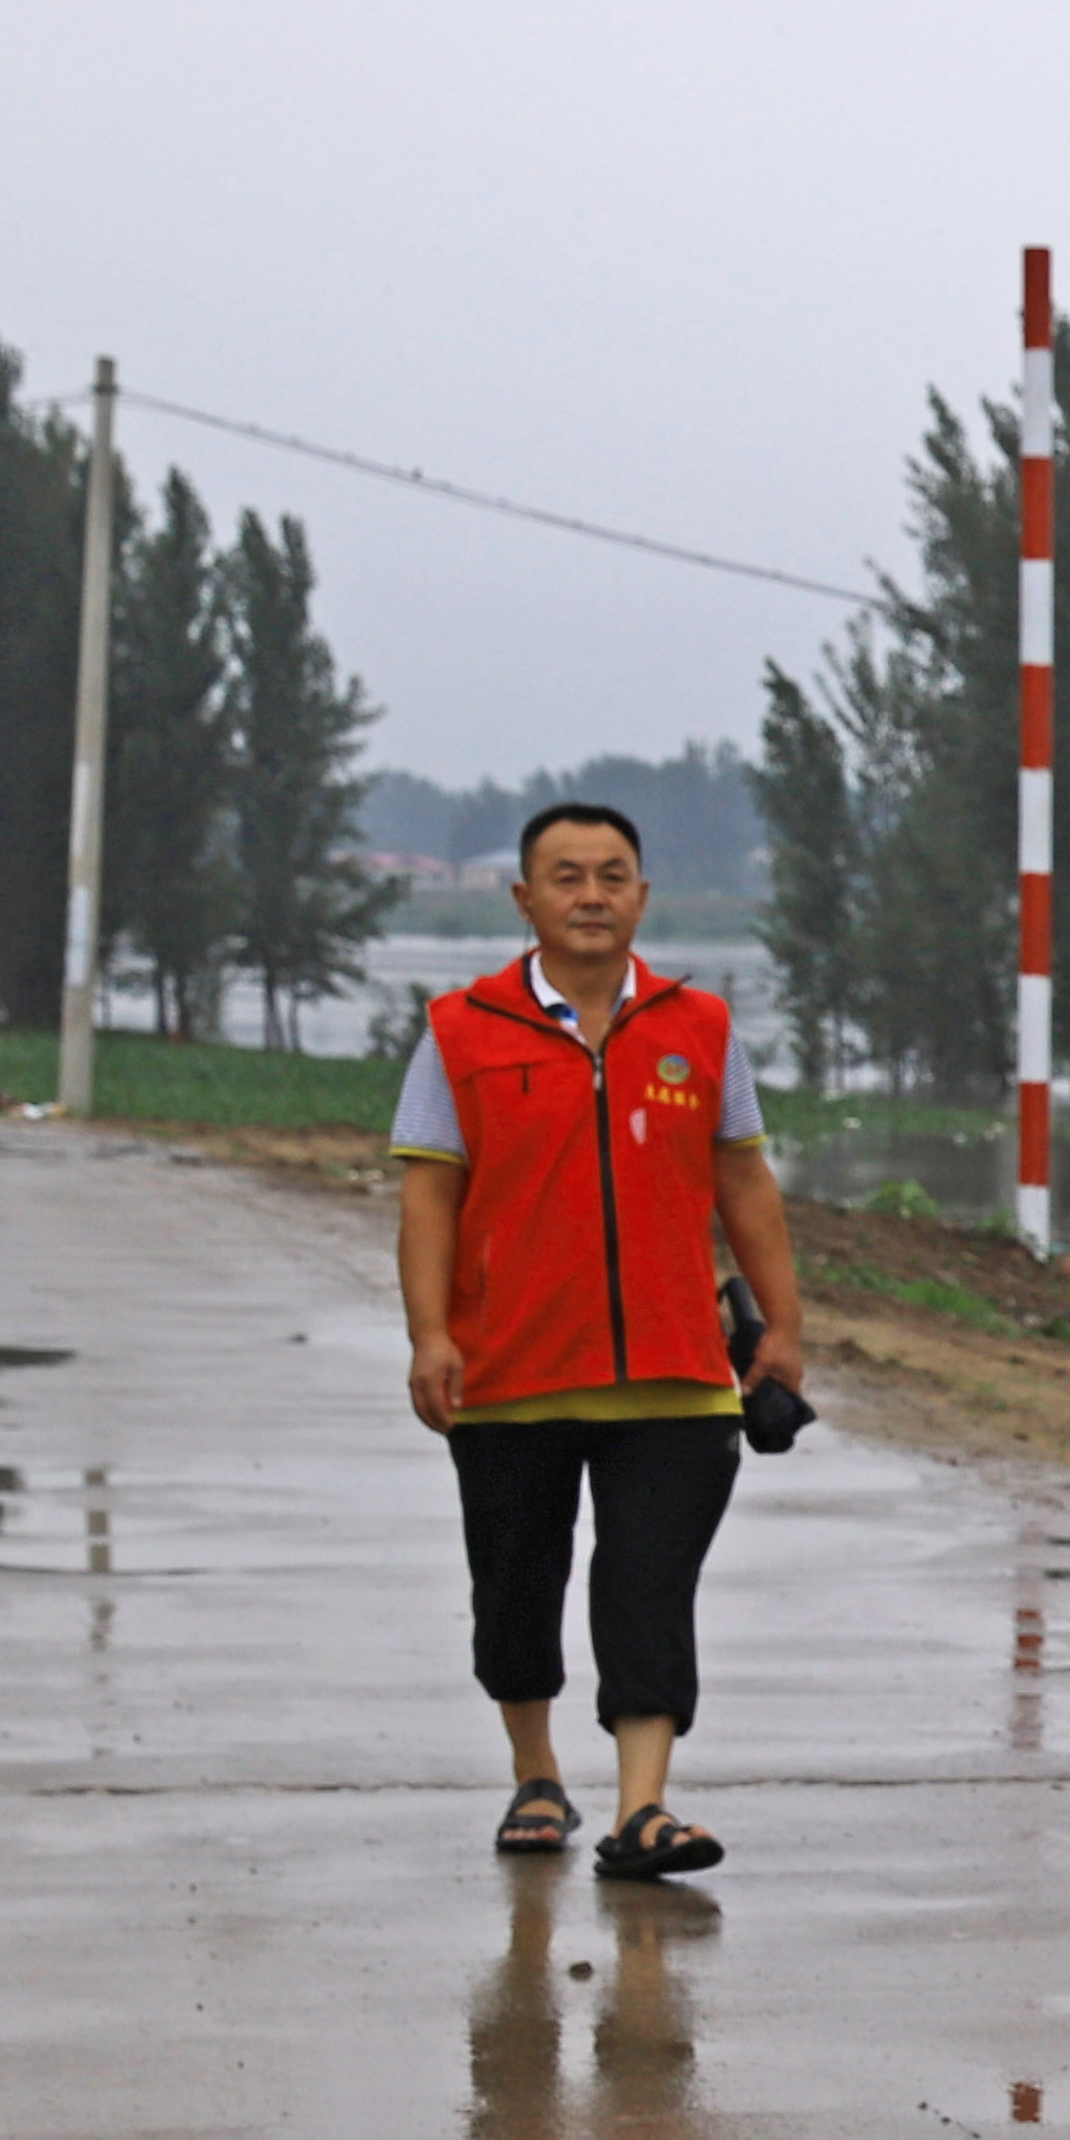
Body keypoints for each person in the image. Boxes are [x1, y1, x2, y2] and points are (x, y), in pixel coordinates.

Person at [390, 803, 809, 1882]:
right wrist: (432, 1333)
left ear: (642, 898)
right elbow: (430, 1197)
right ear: (524, 900)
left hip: (675, 1371)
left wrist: (786, 1330)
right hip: (511, 1371)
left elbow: (746, 1184)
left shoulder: (700, 1026)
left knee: (647, 1587)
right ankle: (536, 1775)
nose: (591, 895)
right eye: (566, 876)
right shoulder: (460, 1031)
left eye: (613, 875)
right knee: (516, 1581)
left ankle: (644, 1808)